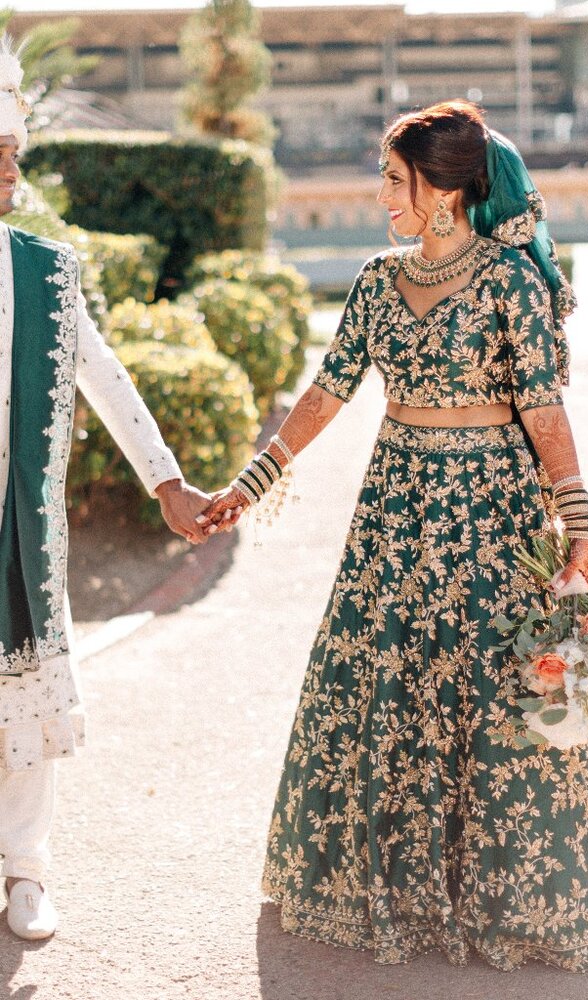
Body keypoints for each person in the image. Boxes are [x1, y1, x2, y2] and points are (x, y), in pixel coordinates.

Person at [199, 100, 588, 971]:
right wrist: (253, 479)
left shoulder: (510, 280)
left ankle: (514, 893)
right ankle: (386, 887)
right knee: (382, 677)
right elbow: (327, 391)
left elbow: (543, 408)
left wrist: (579, 521)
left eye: (395, 182)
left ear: (443, 191)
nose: (384, 198)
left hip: (491, 513)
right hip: (395, 513)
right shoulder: (374, 279)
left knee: (494, 687)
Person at [0, 41, 210, 940]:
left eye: (13, 152)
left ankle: (26, 873)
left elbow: (107, 377)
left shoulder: (48, 269)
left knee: (25, 699)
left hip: (23, 524)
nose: (14, 168)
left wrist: (166, 481)